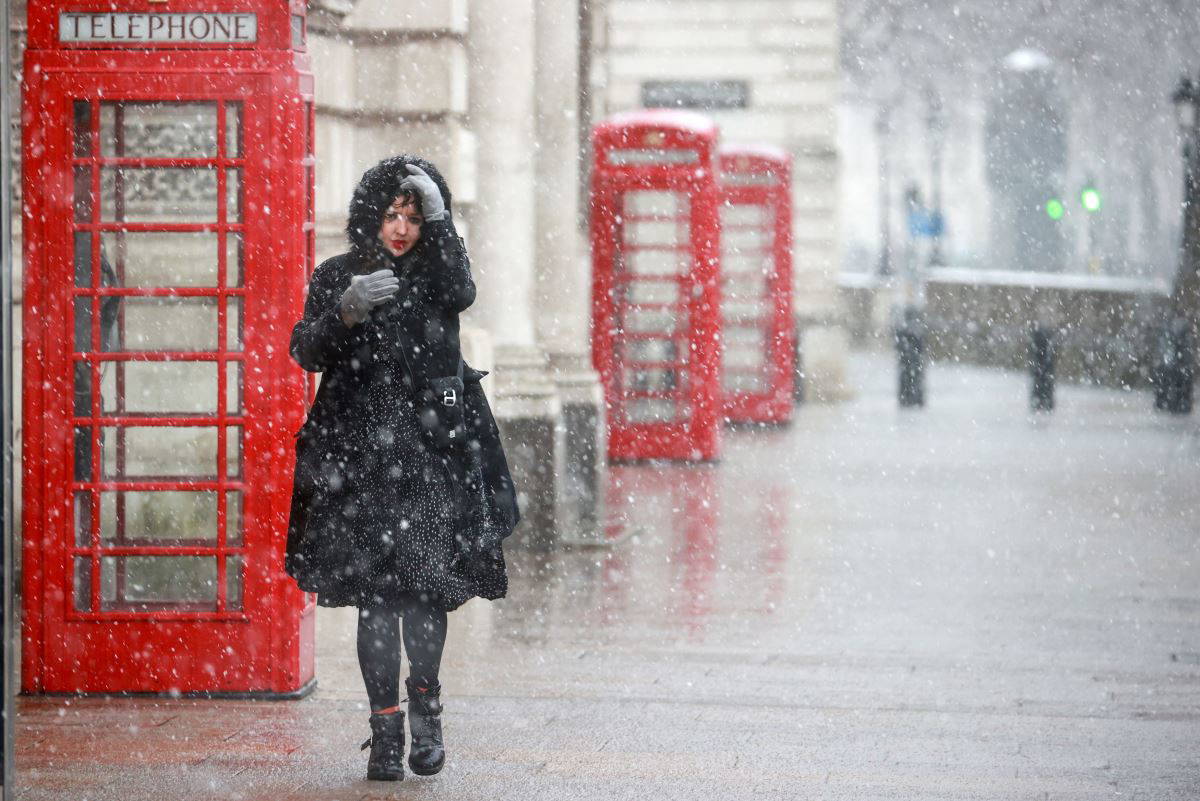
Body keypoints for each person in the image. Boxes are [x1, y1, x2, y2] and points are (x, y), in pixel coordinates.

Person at [284, 155, 520, 782]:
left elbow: (463, 292)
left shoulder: (438, 275)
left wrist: (443, 222)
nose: (400, 228)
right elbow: (305, 350)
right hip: (360, 462)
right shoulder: (339, 274)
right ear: (370, 215)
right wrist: (346, 311)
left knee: (422, 594)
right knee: (375, 600)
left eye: (414, 217)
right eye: (391, 214)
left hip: (428, 458)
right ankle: (385, 732)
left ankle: (428, 715)